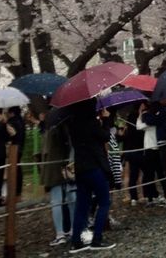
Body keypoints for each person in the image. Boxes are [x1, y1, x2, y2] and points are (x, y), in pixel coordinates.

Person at [67, 98, 116, 253]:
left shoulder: (73, 124)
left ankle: (76, 242)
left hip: (81, 169)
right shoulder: (91, 122)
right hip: (95, 167)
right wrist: (106, 120)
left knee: (82, 206)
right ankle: (97, 239)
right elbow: (105, 137)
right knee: (104, 202)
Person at [41, 115, 76, 246]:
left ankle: (60, 234)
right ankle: (72, 230)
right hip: (66, 166)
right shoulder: (66, 123)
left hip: (53, 167)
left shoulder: (50, 125)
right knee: (70, 197)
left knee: (57, 200)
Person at [136, 102, 166, 206]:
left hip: (149, 148)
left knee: (149, 174)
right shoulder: (158, 119)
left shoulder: (148, 122)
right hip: (158, 148)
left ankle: (151, 197)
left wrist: (140, 113)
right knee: (161, 173)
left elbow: (138, 126)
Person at [6, 106, 25, 199]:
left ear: (12, 112)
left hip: (12, 149)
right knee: (18, 169)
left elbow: (10, 135)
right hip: (20, 147)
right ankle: (18, 193)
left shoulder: (11, 122)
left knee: (12, 170)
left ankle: (13, 193)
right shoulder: (21, 121)